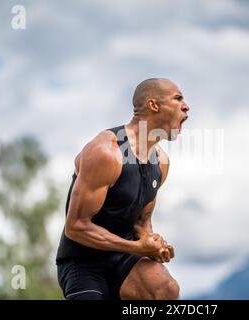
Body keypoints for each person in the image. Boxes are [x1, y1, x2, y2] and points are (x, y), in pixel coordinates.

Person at [56, 78, 190, 300]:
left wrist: (153, 243)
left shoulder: (161, 162)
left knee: (166, 290)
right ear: (153, 105)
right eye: (178, 98)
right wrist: (138, 248)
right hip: (83, 263)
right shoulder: (106, 152)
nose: (186, 106)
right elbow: (76, 227)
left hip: (125, 259)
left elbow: (141, 222)